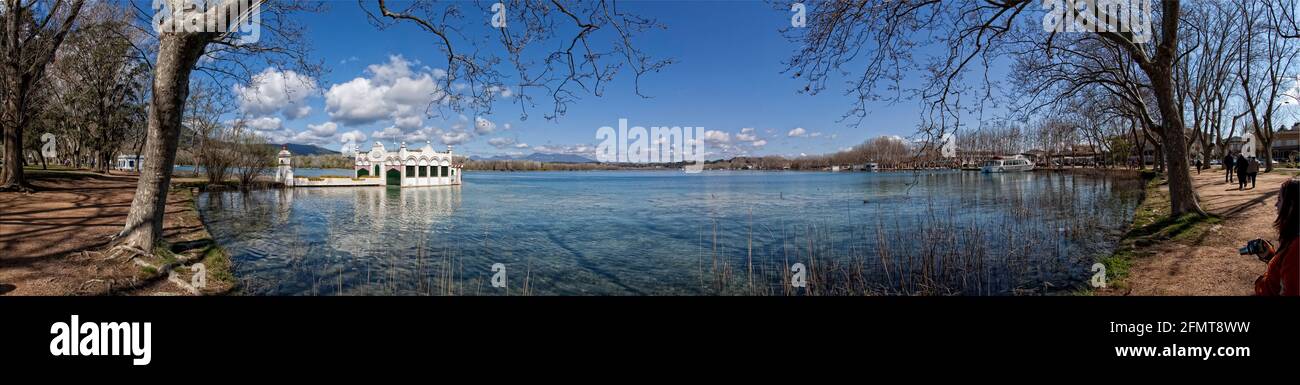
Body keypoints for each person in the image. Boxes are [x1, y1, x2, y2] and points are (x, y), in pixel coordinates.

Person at [1253, 179, 1299, 296]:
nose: (1276, 205)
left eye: (1279, 200)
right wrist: (1271, 257)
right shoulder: (1292, 235)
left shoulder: (1297, 248)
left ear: (1292, 205)